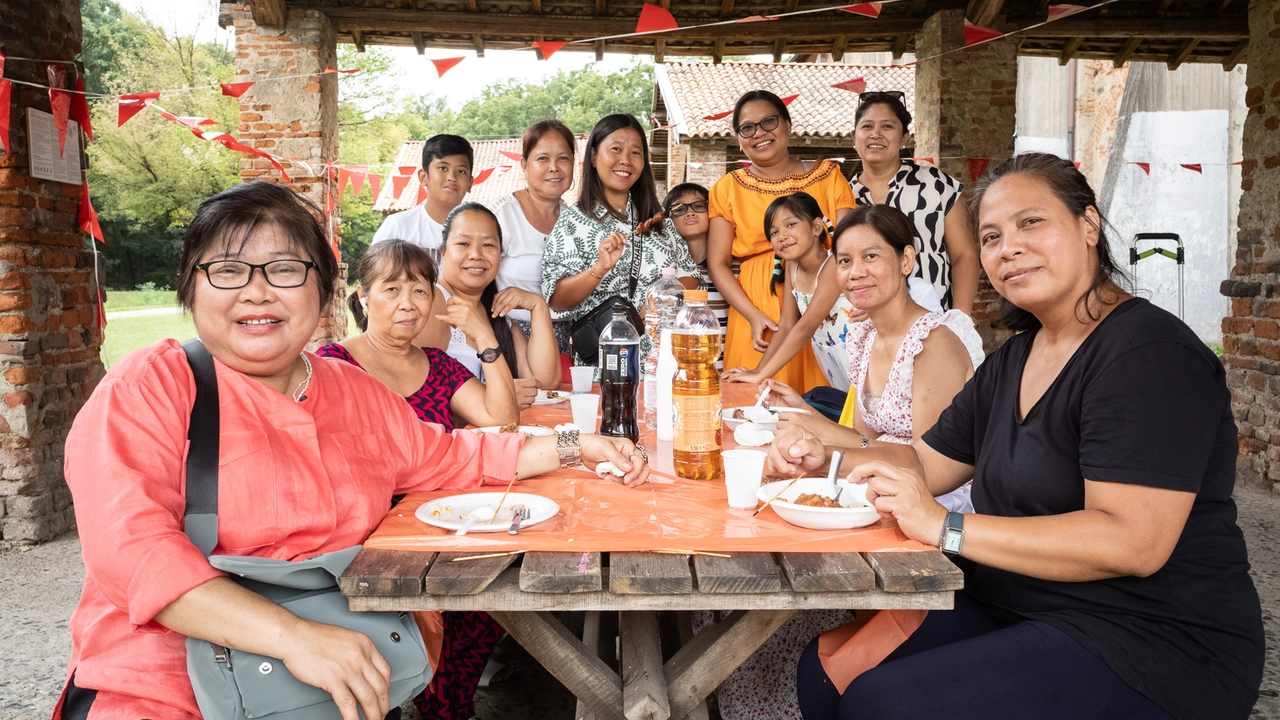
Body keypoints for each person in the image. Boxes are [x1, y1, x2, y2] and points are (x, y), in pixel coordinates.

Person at [52, 181, 650, 720]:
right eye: (228, 270)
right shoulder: (155, 386)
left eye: (285, 269)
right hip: (168, 687)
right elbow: (133, 552)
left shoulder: (352, 391)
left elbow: (459, 455)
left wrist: (580, 443)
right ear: (191, 284)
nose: (257, 294)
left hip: (345, 681)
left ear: (324, 289)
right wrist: (293, 638)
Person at [772, 154, 1264, 720]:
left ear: (1088, 225)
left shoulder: (1148, 354)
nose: (1008, 247)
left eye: (1031, 223)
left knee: (881, 704)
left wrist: (945, 527)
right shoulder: (1015, 359)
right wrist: (824, 454)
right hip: (1016, 601)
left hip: (1147, 636)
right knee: (824, 671)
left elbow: (1132, 542)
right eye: (990, 235)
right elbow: (923, 463)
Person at [763, 203, 984, 512]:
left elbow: (930, 465)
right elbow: (863, 438)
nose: (855, 272)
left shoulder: (933, 343)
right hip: (881, 486)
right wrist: (808, 415)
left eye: (871, 256)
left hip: (934, 505)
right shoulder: (864, 337)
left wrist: (826, 453)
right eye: (844, 261)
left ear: (906, 260)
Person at [708, 90, 856, 391]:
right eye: (747, 128)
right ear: (738, 138)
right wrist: (753, 316)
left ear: (787, 124)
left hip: (823, 304)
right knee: (751, 405)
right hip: (754, 311)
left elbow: (851, 246)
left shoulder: (829, 176)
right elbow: (717, 263)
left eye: (768, 122)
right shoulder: (726, 188)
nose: (759, 133)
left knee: (821, 406)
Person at [541, 113, 700, 358]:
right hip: (606, 362)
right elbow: (557, 298)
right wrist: (599, 268)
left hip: (664, 357)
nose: (625, 160)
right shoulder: (573, 221)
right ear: (593, 156)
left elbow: (691, 274)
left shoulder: (658, 221)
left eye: (636, 153)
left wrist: (664, 295)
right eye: (616, 149)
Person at [850, 92, 978, 314]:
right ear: (854, 137)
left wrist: (960, 321)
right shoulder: (842, 196)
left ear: (905, 137)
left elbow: (964, 256)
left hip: (935, 323)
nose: (876, 134)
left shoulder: (935, 184)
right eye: (867, 126)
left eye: (887, 127)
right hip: (866, 328)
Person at [425, 203, 561, 408]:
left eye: (488, 245)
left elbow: (543, 382)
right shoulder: (432, 301)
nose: (476, 255)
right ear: (443, 252)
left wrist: (538, 306)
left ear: (500, 256)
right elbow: (417, 388)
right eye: (463, 243)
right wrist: (495, 396)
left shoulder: (496, 314)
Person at [721, 192, 855, 390]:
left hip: (858, 353)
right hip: (832, 358)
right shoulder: (793, 266)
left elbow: (805, 327)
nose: (781, 236)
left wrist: (760, 375)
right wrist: (757, 370)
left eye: (791, 224)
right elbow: (786, 324)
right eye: (774, 232)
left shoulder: (833, 265)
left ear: (817, 227)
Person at [489, 120, 575, 339]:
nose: (554, 167)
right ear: (524, 165)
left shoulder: (575, 220)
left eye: (563, 158)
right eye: (542, 158)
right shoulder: (504, 214)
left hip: (568, 337)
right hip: (513, 334)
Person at [373, 134, 474, 268]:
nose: (452, 177)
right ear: (423, 177)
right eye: (443, 168)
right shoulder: (398, 227)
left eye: (461, 171)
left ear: (470, 183)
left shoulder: (480, 232)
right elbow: (375, 281)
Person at [663, 182, 727, 369]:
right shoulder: (666, 276)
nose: (690, 213)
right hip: (680, 372)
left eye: (698, 206)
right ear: (668, 219)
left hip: (727, 370)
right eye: (679, 209)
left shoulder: (732, 269)